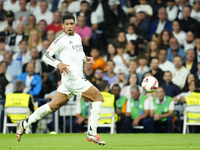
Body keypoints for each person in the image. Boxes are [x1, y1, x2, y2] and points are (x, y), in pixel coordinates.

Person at [16, 13, 106, 145]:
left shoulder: (78, 37)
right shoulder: (60, 40)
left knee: (52, 106)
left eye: (71, 23)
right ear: (63, 26)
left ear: (74, 24)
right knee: (98, 98)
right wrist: (58, 64)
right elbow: (46, 56)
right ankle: (92, 133)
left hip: (69, 81)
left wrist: (85, 58)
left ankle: (24, 124)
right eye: (66, 24)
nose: (69, 26)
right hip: (73, 79)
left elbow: (77, 53)